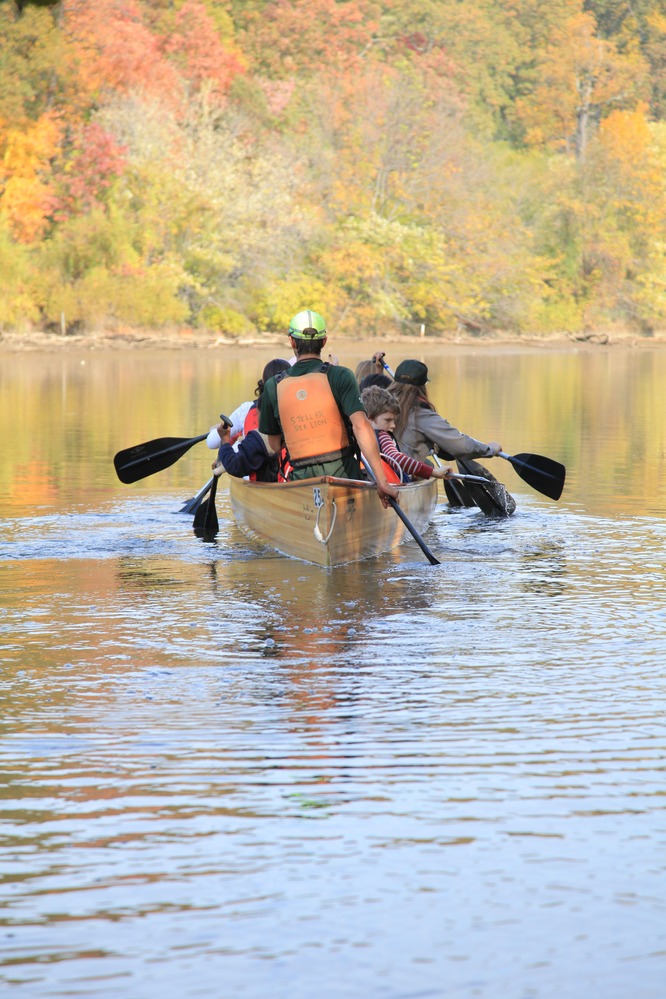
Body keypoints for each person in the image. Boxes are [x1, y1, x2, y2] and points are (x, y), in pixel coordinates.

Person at [259, 310, 399, 507]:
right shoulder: (341, 375)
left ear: (292, 342)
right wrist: (382, 482)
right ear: (324, 341)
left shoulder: (273, 385)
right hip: (344, 477)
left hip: (302, 482)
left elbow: (274, 445)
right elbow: (361, 427)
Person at [389, 359, 503, 463]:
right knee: (428, 465)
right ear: (423, 386)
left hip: (380, 471)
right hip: (402, 475)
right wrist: (490, 449)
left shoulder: (380, 405)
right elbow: (461, 446)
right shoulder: (422, 415)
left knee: (428, 464)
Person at [212, 358, 292, 482]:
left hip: (273, 489)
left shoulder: (259, 438)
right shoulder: (302, 422)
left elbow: (234, 466)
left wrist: (225, 440)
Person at [361, 385, 454, 483]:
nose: (393, 425)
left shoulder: (354, 434)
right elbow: (396, 458)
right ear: (369, 418)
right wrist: (433, 472)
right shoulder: (382, 435)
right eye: (388, 420)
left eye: (394, 420)